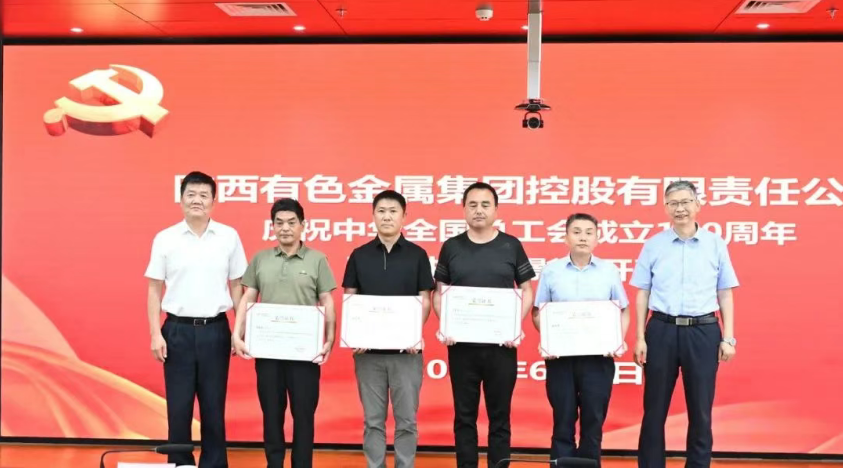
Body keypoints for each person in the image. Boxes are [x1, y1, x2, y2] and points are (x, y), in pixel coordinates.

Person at [630, 180, 738, 468]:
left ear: (697, 205)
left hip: (703, 331)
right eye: (673, 203)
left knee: (701, 410)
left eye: (685, 202)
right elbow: (643, 293)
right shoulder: (654, 245)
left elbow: (725, 292)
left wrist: (728, 337)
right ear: (666, 208)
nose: (680, 208)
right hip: (661, 330)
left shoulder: (715, 244)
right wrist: (640, 337)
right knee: (654, 409)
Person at [145, 170, 248, 468]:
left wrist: (239, 331)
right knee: (178, 407)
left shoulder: (228, 236)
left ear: (214, 201)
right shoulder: (165, 238)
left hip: (215, 330)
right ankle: (180, 464)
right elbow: (154, 289)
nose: (197, 200)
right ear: (181, 200)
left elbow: (237, 286)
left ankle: (214, 464)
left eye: (204, 195)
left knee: (214, 406)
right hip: (176, 330)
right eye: (191, 194)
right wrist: (155, 333)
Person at [433, 182, 536, 468]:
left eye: (485, 205)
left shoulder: (511, 245)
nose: (479, 210)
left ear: (496, 210)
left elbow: (527, 290)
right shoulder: (451, 246)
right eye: (473, 205)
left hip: (501, 347)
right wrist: (447, 324)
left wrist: (514, 325)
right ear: (464, 209)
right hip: (462, 347)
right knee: (464, 416)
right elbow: (439, 292)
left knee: (499, 417)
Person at [231, 198, 337, 468]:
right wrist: (237, 333)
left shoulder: (317, 259)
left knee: (304, 416)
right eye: (279, 223)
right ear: (272, 226)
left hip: (305, 354)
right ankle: (274, 463)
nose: (285, 228)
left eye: (291, 222)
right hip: (268, 352)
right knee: (271, 414)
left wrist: (329, 339)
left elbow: (327, 300)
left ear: (303, 225)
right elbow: (248, 297)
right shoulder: (261, 259)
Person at [342, 189, 435, 468]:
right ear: (373, 216)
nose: (387, 216)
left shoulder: (418, 255)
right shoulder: (359, 255)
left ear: (404, 216)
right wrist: (355, 334)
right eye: (381, 211)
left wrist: (413, 334)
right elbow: (350, 298)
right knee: (373, 421)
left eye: (393, 211)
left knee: (406, 421)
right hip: (368, 354)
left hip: (406, 354)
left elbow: (425, 299)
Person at [532, 213, 630, 467]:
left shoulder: (609, 271)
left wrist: (617, 340)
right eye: (576, 232)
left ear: (597, 238)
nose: (583, 237)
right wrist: (549, 339)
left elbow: (623, 310)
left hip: (598, 358)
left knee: (593, 422)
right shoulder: (551, 271)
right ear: (566, 237)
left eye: (589, 232)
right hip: (561, 358)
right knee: (562, 421)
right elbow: (538, 312)